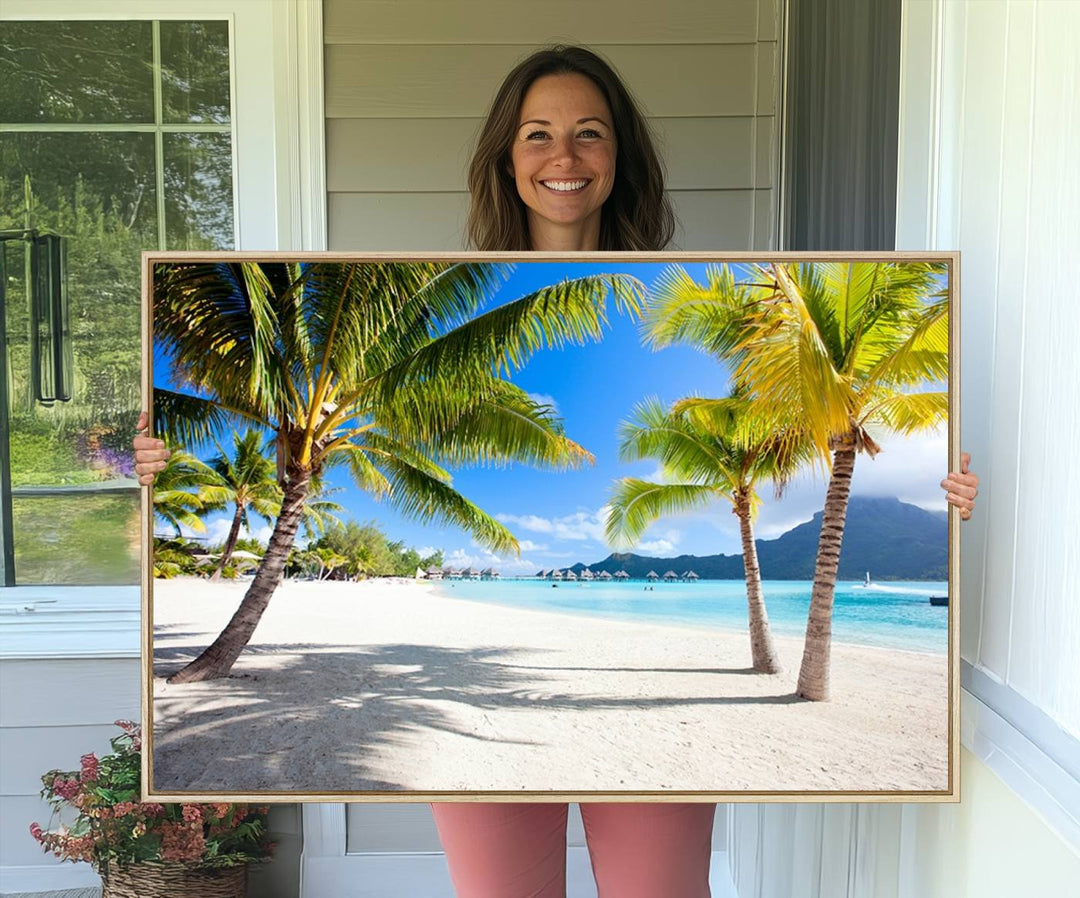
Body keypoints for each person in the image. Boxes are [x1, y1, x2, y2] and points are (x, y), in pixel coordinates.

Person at [134, 45, 980, 898]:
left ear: (620, 158)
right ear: (507, 157)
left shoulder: (715, 293)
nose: (564, 157)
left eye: (589, 134)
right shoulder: (432, 295)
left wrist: (943, 497)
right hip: (473, 699)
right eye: (537, 134)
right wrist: (155, 469)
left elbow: (789, 427)